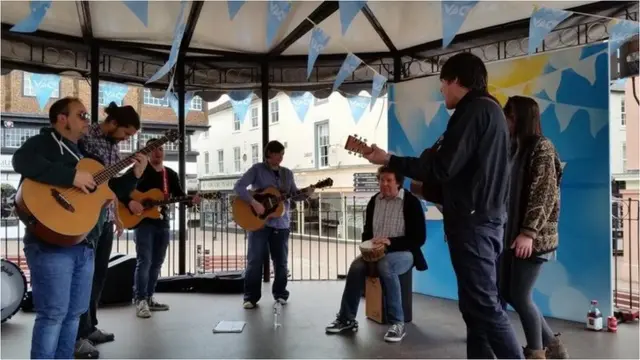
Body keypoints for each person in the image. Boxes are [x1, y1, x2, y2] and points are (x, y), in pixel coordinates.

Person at [363, 52, 524, 359]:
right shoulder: (488, 112)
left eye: (442, 83)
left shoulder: (474, 111)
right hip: (481, 222)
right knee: (474, 308)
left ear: (455, 81)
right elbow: (461, 171)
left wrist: (389, 160)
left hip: (474, 225)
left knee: (485, 307)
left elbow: (442, 166)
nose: (441, 91)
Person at [12, 97, 146, 359]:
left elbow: (111, 190)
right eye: (81, 115)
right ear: (63, 119)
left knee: (74, 316)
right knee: (53, 315)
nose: (87, 120)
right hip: (50, 243)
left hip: (84, 243)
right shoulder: (44, 143)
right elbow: (21, 160)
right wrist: (71, 176)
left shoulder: (87, 156)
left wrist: (135, 175)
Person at [499, 96, 568, 359]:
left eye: (510, 117)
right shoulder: (514, 148)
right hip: (512, 235)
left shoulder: (542, 147)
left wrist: (529, 233)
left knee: (520, 295)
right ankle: (555, 348)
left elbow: (545, 193)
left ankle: (537, 352)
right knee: (509, 292)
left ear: (520, 118)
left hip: (532, 238)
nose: (507, 122)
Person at [325, 166, 427, 342]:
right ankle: (346, 318)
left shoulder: (411, 202)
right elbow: (367, 232)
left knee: (385, 265)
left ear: (398, 183)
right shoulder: (374, 201)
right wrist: (368, 245)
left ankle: (397, 324)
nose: (384, 184)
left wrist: (391, 242)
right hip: (375, 252)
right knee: (356, 267)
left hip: (404, 252)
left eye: (389, 180)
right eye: (381, 180)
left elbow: (418, 238)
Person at [74, 102, 141, 358]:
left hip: (104, 218)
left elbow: (108, 186)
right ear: (113, 123)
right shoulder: (85, 135)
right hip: (84, 217)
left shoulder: (114, 149)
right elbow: (86, 176)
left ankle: (90, 327)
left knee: (98, 275)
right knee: (84, 276)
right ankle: (77, 334)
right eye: (126, 133)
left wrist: (116, 215)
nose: (126, 139)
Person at [119, 138, 200, 318]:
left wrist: (190, 201)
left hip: (163, 222)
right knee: (145, 261)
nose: (158, 153)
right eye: (154, 149)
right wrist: (132, 202)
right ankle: (140, 300)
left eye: (161, 149)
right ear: (148, 152)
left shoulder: (169, 174)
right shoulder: (139, 171)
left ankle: (148, 298)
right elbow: (121, 190)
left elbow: (179, 195)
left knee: (157, 263)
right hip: (143, 222)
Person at [233, 140, 313, 309]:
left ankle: (281, 294)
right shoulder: (257, 170)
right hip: (259, 224)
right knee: (254, 261)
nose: (281, 157)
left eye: (283, 154)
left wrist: (306, 193)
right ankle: (250, 298)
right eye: (278, 154)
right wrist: (254, 203)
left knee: (281, 262)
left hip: (281, 224)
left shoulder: (287, 174)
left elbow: (294, 196)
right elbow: (239, 187)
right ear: (269, 154)